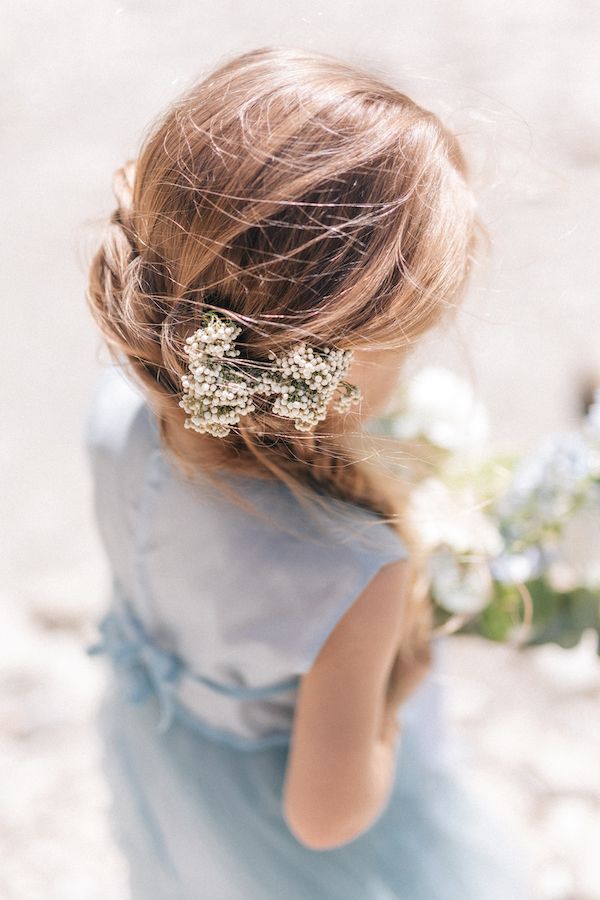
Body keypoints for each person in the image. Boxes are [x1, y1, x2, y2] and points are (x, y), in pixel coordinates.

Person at [83, 46, 535, 899]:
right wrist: (396, 700)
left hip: (165, 748)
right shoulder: (356, 567)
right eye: (408, 343)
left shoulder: (118, 410)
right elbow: (326, 818)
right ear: (336, 369)